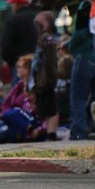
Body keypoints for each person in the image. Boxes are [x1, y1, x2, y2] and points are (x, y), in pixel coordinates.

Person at [66, 0, 95, 140]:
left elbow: (80, 31)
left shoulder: (86, 5)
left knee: (78, 96)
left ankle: (79, 131)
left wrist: (70, 45)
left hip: (84, 54)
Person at [29, 10, 61, 140]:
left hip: (46, 78)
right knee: (45, 108)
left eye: (40, 23)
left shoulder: (48, 40)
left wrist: (46, 77)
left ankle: (51, 134)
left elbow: (48, 62)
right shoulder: (44, 39)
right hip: (42, 78)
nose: (37, 26)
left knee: (50, 108)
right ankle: (49, 132)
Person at [0, 0, 37, 84]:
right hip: (37, 62)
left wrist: (11, 62)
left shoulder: (13, 21)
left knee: (19, 92)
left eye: (13, 4)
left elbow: (6, 44)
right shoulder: (37, 18)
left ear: (17, 5)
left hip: (19, 64)